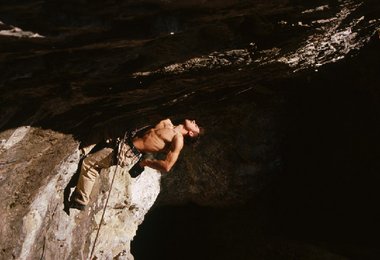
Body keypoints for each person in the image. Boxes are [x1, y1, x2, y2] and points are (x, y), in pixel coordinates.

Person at [70, 118, 202, 210]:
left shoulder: (178, 139)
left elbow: (167, 166)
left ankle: (80, 200)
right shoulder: (167, 122)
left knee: (91, 164)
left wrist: (145, 162)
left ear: (191, 133)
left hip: (128, 152)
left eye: (195, 126)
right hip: (126, 139)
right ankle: (81, 150)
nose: (194, 121)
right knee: (103, 128)